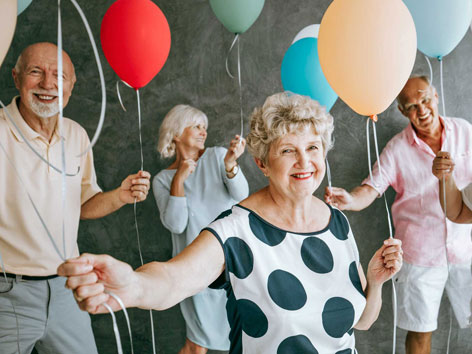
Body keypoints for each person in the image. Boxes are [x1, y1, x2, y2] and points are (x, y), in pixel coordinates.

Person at [59, 92, 402, 354]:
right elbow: (174, 279)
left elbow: (362, 321)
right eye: (287, 151)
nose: (305, 161)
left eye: (313, 147)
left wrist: (375, 283)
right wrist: (132, 285)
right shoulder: (236, 231)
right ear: (262, 163)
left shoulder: (338, 223)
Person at [0, 42, 150, 354]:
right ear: (16, 78)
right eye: (35, 72)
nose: (47, 84)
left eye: (59, 76)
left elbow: (82, 206)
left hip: (68, 287)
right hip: (7, 293)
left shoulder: (77, 134)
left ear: (71, 85)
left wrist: (120, 196)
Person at [325, 76, 472, 354]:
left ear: (436, 96)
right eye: (412, 106)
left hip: (467, 249)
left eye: (425, 100)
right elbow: (372, 187)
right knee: (420, 332)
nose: (422, 110)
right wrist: (351, 199)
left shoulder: (466, 131)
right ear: (402, 112)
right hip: (420, 256)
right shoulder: (397, 148)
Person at [152, 104, 249, 353]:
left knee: (244, 339)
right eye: (196, 126)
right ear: (176, 133)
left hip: (232, 263)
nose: (203, 132)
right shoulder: (162, 179)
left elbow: (241, 195)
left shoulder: (217, 156)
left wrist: (230, 163)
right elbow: (176, 224)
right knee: (196, 344)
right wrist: (179, 179)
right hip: (192, 268)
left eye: (204, 127)